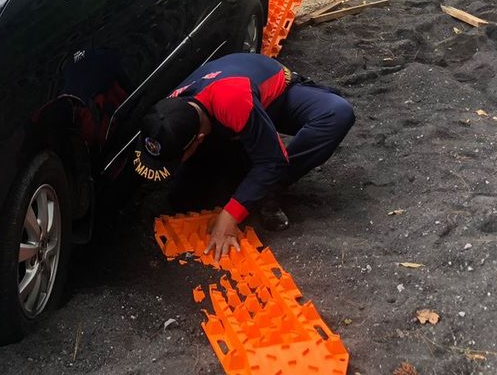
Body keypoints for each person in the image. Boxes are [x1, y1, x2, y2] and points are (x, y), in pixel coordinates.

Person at [132, 53, 354, 260]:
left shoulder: (231, 101)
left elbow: (272, 160)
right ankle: (246, 171)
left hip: (273, 96)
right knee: (185, 199)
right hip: (224, 119)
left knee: (337, 113)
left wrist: (229, 217)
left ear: (199, 139)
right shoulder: (170, 113)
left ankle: (272, 188)